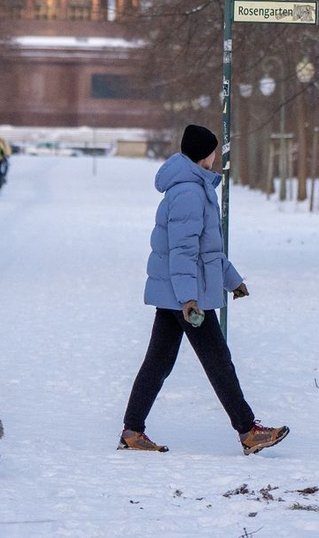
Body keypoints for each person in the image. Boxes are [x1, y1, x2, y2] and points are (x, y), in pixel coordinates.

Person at [118, 123, 290, 456]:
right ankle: (248, 430)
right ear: (205, 154)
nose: (217, 155)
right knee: (217, 361)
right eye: (214, 150)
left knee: (158, 363)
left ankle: (132, 431)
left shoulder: (194, 188)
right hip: (185, 295)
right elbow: (183, 252)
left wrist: (232, 280)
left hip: (179, 293)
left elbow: (207, 251)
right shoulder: (188, 192)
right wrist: (189, 299)